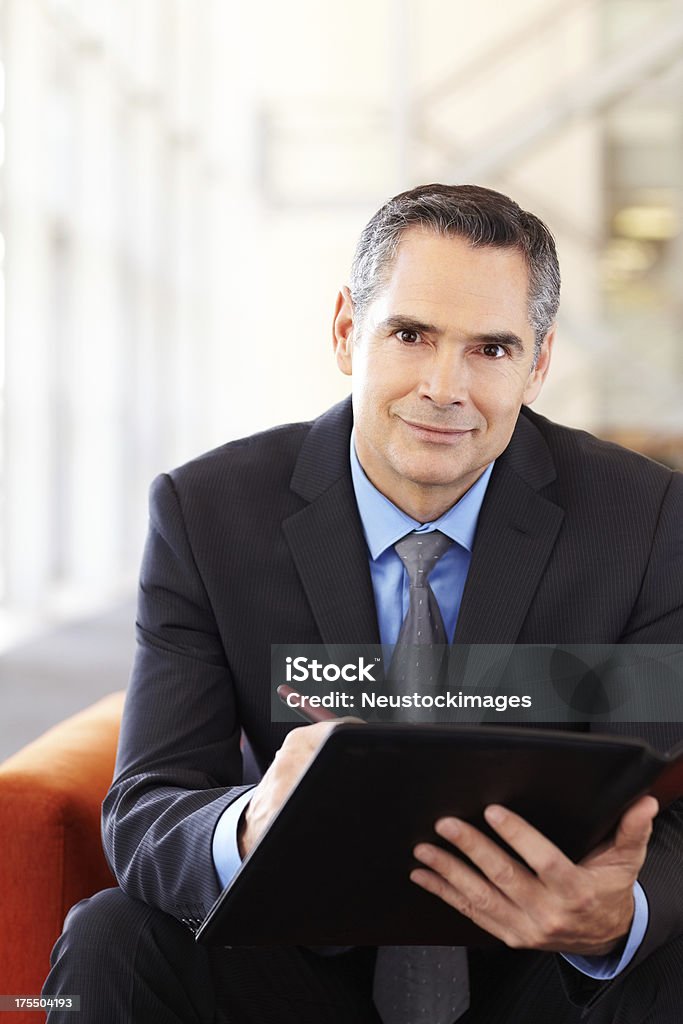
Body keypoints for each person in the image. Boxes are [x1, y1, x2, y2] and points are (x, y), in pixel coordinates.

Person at [44, 184, 683, 1023]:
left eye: (490, 349)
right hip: (293, 958)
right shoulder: (209, 514)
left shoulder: (641, 521)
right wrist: (250, 822)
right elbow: (149, 802)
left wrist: (616, 916)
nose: (444, 387)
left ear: (538, 364)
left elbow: (669, 798)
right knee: (109, 939)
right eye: (411, 335)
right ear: (348, 330)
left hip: (539, 964)